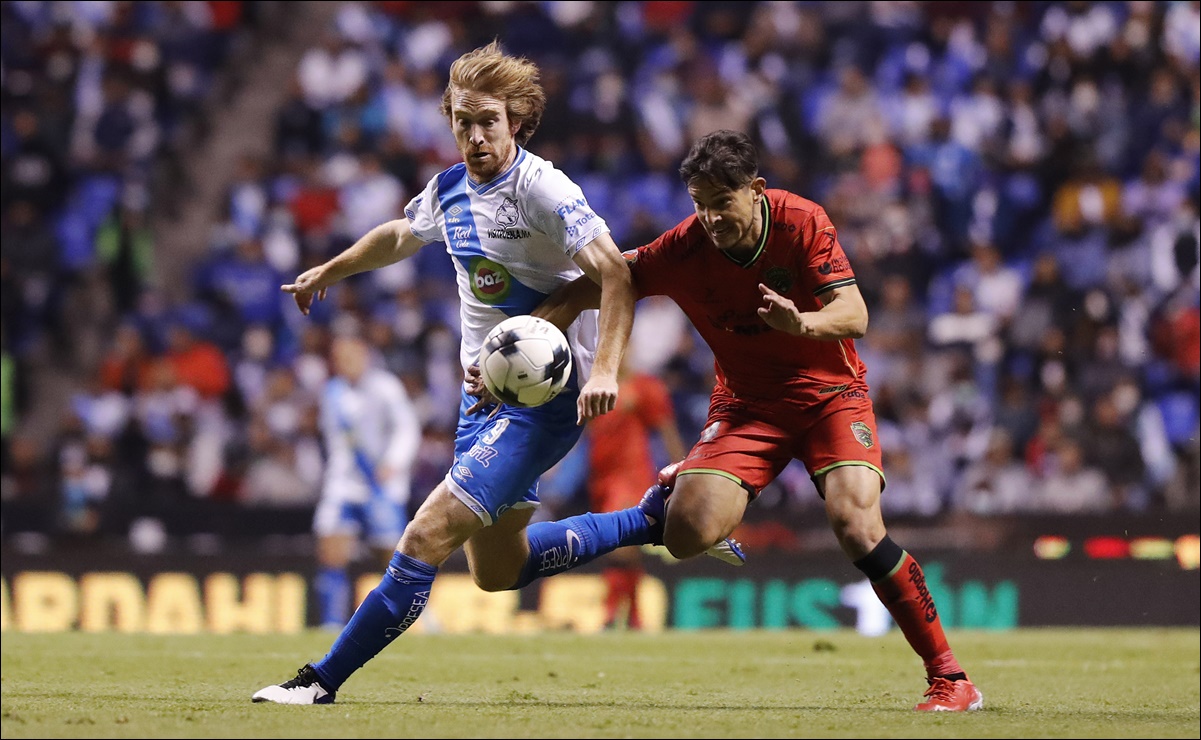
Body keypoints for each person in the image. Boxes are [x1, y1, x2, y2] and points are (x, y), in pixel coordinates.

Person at [252, 42, 737, 706]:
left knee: (425, 534)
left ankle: (320, 681)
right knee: (497, 570)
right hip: (482, 397)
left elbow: (616, 272)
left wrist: (603, 371)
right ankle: (650, 522)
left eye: (488, 122)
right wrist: (329, 270)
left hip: (546, 398)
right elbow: (401, 233)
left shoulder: (543, 188)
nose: (475, 136)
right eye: (462, 123)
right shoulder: (449, 189)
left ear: (514, 122)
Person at [536, 129, 984, 712]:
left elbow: (854, 314)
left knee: (855, 523)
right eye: (699, 204)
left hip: (830, 397)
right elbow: (610, 278)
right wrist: (527, 329)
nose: (711, 217)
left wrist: (802, 324)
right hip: (746, 408)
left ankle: (951, 678)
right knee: (686, 537)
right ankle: (679, 498)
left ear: (757, 190)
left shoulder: (803, 222)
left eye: (722, 203)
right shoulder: (686, 247)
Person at [312, 333, 422, 630]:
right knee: (331, 549)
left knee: (394, 557)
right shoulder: (332, 392)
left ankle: (417, 616)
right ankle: (332, 622)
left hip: (380, 486)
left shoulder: (385, 387)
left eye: (348, 356)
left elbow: (407, 429)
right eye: (338, 358)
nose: (343, 363)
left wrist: (393, 464)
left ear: (363, 354)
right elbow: (334, 442)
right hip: (344, 484)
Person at [586, 356, 689, 630]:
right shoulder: (591, 388)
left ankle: (610, 613)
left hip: (630, 476)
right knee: (624, 547)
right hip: (600, 478)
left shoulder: (642, 387)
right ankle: (633, 616)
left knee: (618, 542)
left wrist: (682, 472)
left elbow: (666, 429)